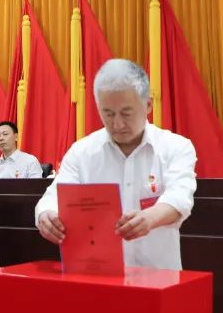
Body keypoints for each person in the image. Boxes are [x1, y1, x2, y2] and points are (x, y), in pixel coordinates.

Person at [36, 59, 197, 270]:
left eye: (126, 113)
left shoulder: (176, 147)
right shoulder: (82, 152)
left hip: (159, 276)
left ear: (148, 105)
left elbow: (180, 198)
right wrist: (47, 215)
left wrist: (149, 218)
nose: (117, 124)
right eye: (108, 114)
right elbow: (54, 196)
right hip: (98, 276)